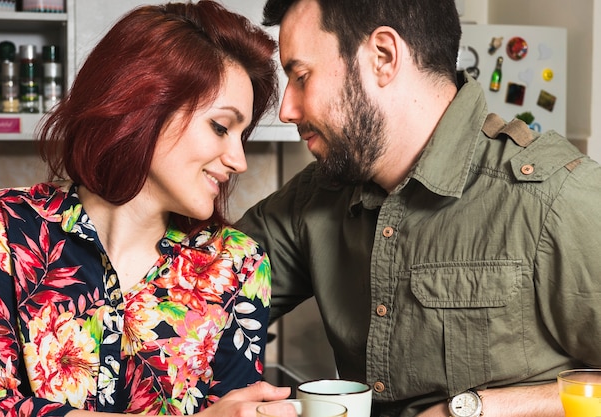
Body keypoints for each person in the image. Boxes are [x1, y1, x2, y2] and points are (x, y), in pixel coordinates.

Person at [235, 0, 601, 416]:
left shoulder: (556, 197)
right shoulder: (315, 197)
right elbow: (193, 296)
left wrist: (471, 409)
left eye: (301, 77)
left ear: (384, 57)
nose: (287, 110)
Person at [0, 1, 291, 416]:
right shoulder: (0, 228)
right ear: (146, 104)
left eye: (241, 135)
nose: (238, 160)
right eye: (220, 127)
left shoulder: (238, 266)